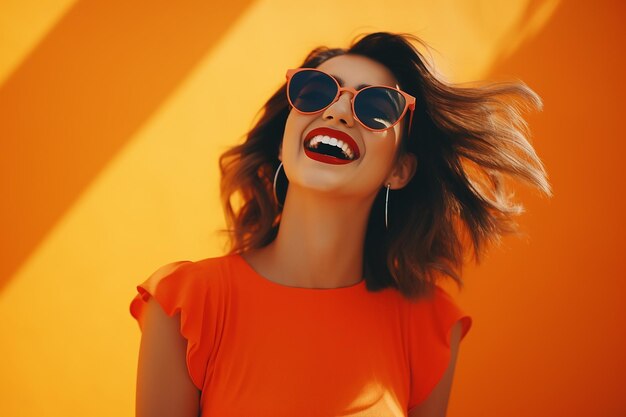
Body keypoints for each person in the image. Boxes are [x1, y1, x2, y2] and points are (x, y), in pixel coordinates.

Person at [130, 32, 551, 417]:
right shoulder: (185, 306)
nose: (337, 111)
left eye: (376, 106)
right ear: (282, 141)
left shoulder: (428, 326)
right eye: (315, 92)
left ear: (400, 170)